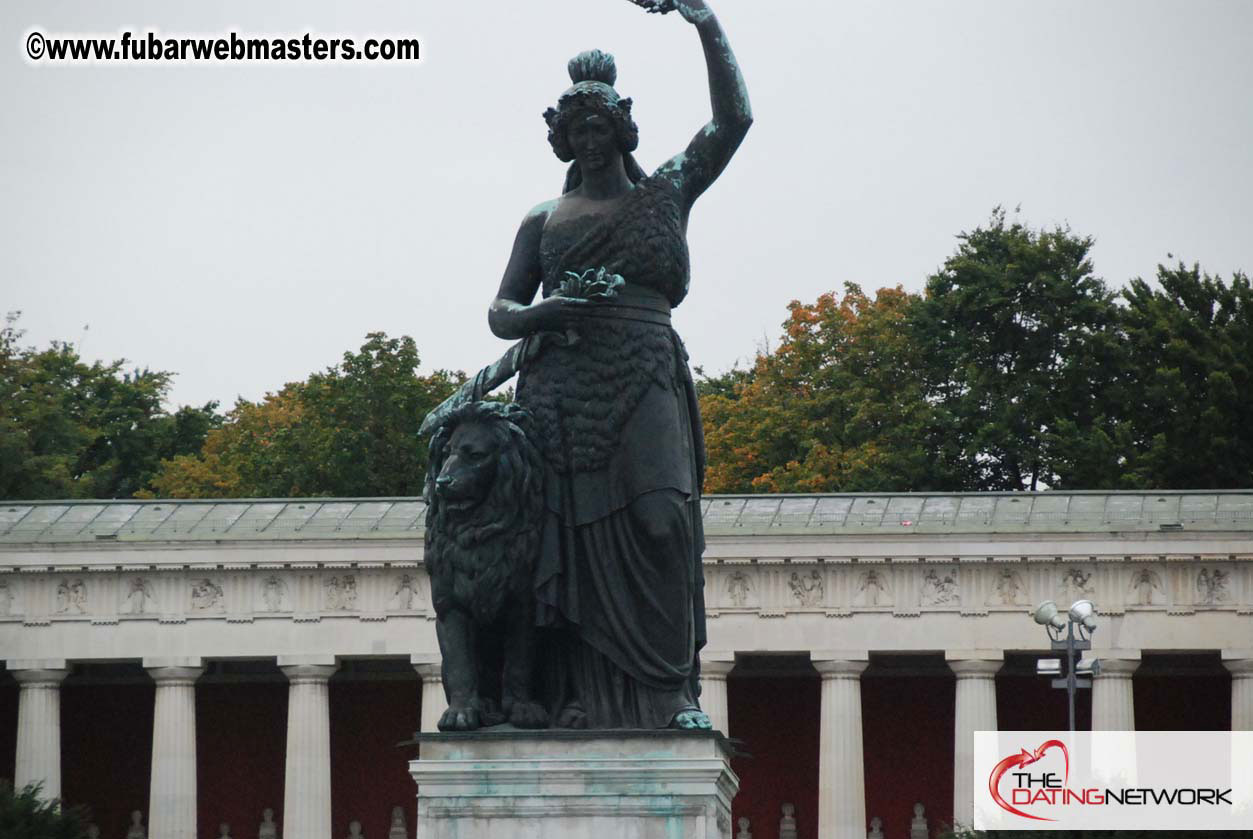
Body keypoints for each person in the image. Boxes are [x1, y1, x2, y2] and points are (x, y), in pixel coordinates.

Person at [487, 0, 751, 729]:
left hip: (641, 369)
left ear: (620, 129)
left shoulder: (664, 191)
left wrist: (703, 22)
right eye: (575, 130)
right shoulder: (542, 220)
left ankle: (672, 692)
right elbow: (501, 310)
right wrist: (547, 313)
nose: (588, 140)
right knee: (565, 543)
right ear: (563, 139)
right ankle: (576, 694)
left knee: (663, 519)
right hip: (560, 387)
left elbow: (733, 122)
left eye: (599, 126)